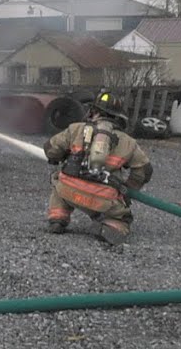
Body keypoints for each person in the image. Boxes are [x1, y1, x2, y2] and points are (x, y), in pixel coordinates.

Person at [41, 91, 153, 245]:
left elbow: (51, 149)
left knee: (57, 180)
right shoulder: (128, 142)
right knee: (122, 217)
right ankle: (111, 226)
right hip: (103, 200)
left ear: (94, 112)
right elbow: (145, 171)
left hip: (68, 191)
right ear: (118, 117)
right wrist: (128, 189)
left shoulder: (76, 129)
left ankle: (57, 218)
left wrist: (59, 157)